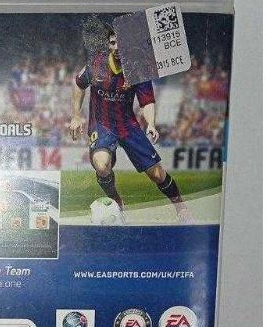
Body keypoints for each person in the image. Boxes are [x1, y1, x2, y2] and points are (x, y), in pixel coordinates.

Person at [69, 27, 190, 223]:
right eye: (113, 43)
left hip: (128, 125)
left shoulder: (138, 69)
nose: (117, 47)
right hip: (102, 124)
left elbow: (146, 101)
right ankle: (117, 201)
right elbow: (78, 84)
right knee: (101, 165)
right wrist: (75, 115)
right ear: (108, 45)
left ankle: (181, 209)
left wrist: (151, 124)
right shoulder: (96, 63)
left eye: (122, 43)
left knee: (157, 174)